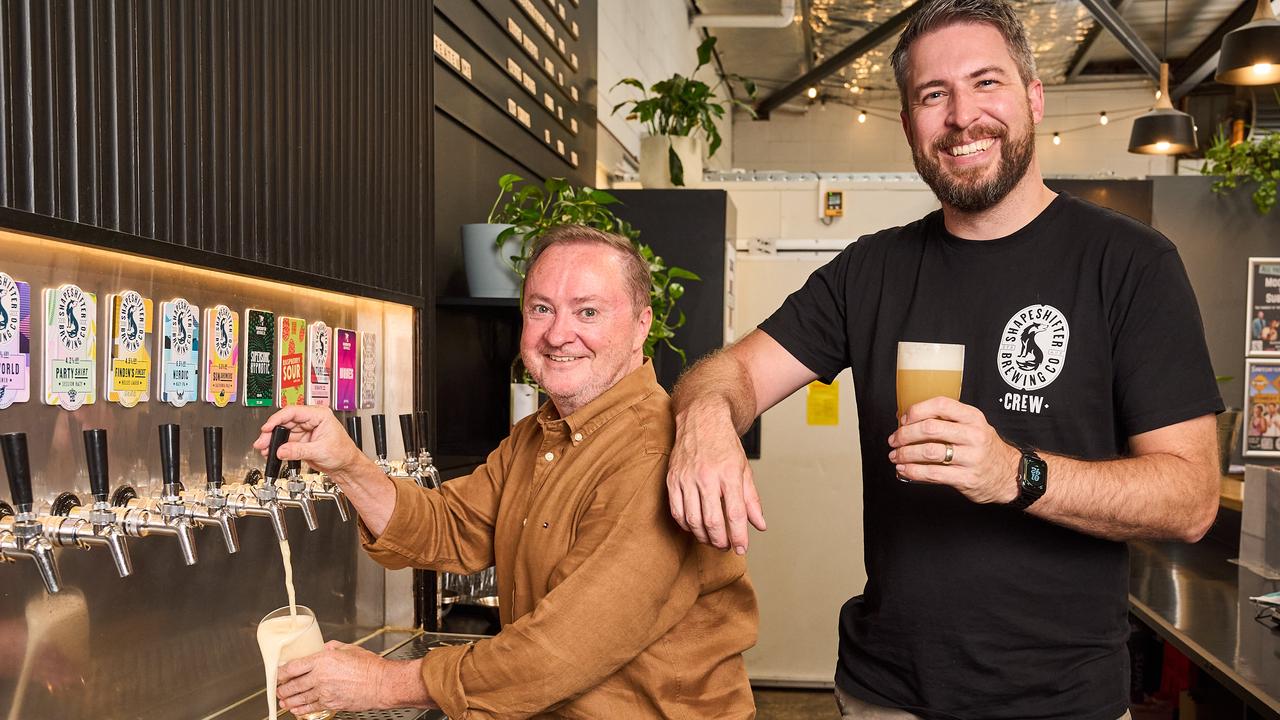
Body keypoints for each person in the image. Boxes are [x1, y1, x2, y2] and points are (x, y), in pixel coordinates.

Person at [665, 1, 1222, 719]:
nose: (962, 116)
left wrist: (1011, 473)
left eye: (987, 82)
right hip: (885, 696)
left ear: (1033, 97)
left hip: (1063, 704)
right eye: (934, 95)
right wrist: (707, 414)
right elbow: (733, 371)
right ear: (909, 125)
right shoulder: (871, 270)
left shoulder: (1130, 264)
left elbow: (1191, 499)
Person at [255, 225, 758, 719]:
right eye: (542, 309)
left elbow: (558, 652)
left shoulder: (651, 456)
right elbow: (450, 527)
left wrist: (383, 682)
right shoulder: (539, 435)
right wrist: (347, 464)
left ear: (641, 325)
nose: (559, 335)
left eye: (588, 311)